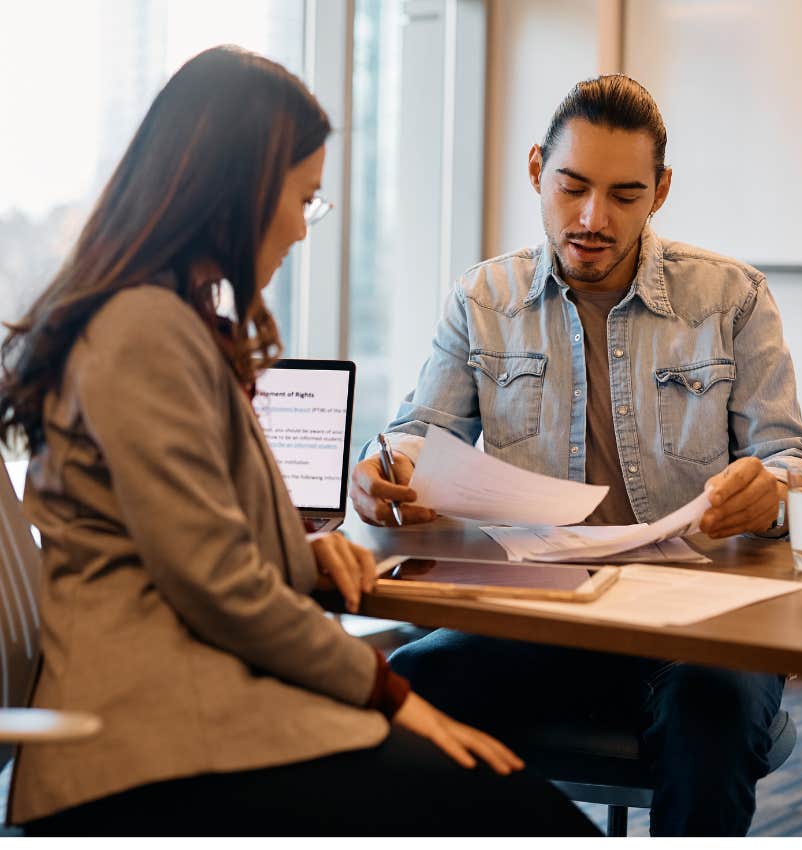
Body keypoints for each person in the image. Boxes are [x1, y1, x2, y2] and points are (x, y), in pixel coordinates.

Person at [0, 46, 599, 837]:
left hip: (193, 712)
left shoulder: (165, 320)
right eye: (304, 199)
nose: (302, 229)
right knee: (520, 813)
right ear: (238, 191)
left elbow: (186, 535)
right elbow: (216, 583)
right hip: (149, 741)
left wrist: (304, 552)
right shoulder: (144, 330)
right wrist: (390, 696)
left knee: (507, 797)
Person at [351, 75, 802, 836]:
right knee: (404, 684)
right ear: (537, 170)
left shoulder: (732, 298)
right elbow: (415, 434)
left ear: (661, 192)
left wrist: (770, 490)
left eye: (626, 195)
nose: (594, 218)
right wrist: (387, 476)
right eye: (572, 187)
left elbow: (792, 456)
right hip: (542, 612)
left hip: (698, 620)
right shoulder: (482, 299)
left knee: (713, 708)